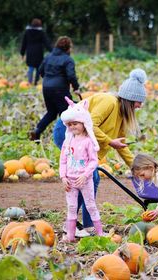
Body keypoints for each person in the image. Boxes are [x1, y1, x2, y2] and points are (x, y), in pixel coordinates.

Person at [54, 68, 147, 237]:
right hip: (68, 130)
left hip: (83, 138)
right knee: (88, 177)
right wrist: (110, 141)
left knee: (90, 178)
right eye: (138, 102)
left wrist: (136, 167)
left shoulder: (121, 115)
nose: (140, 105)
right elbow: (90, 124)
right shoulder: (109, 101)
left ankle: (85, 225)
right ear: (130, 99)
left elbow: (121, 144)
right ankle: (73, 225)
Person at [59, 97, 105, 241]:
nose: (73, 127)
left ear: (84, 123)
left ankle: (100, 234)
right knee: (71, 208)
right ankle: (70, 235)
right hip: (70, 181)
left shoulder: (88, 142)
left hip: (84, 180)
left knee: (90, 205)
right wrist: (63, 177)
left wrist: (85, 175)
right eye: (70, 124)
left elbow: (93, 161)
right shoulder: (68, 141)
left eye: (76, 123)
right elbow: (63, 161)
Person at [30, 36, 80, 141]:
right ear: (67, 48)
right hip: (60, 89)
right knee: (66, 113)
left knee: (51, 113)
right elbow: (71, 75)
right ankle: (66, 139)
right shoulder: (68, 59)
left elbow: (40, 70)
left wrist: (48, 80)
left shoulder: (48, 56)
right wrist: (76, 87)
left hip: (46, 88)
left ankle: (37, 131)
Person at [20, 18, 52, 85]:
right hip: (39, 52)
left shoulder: (27, 32)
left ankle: (29, 82)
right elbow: (47, 43)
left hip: (30, 52)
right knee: (38, 68)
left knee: (30, 68)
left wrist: (22, 53)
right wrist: (52, 51)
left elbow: (24, 43)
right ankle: (36, 82)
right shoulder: (41, 32)